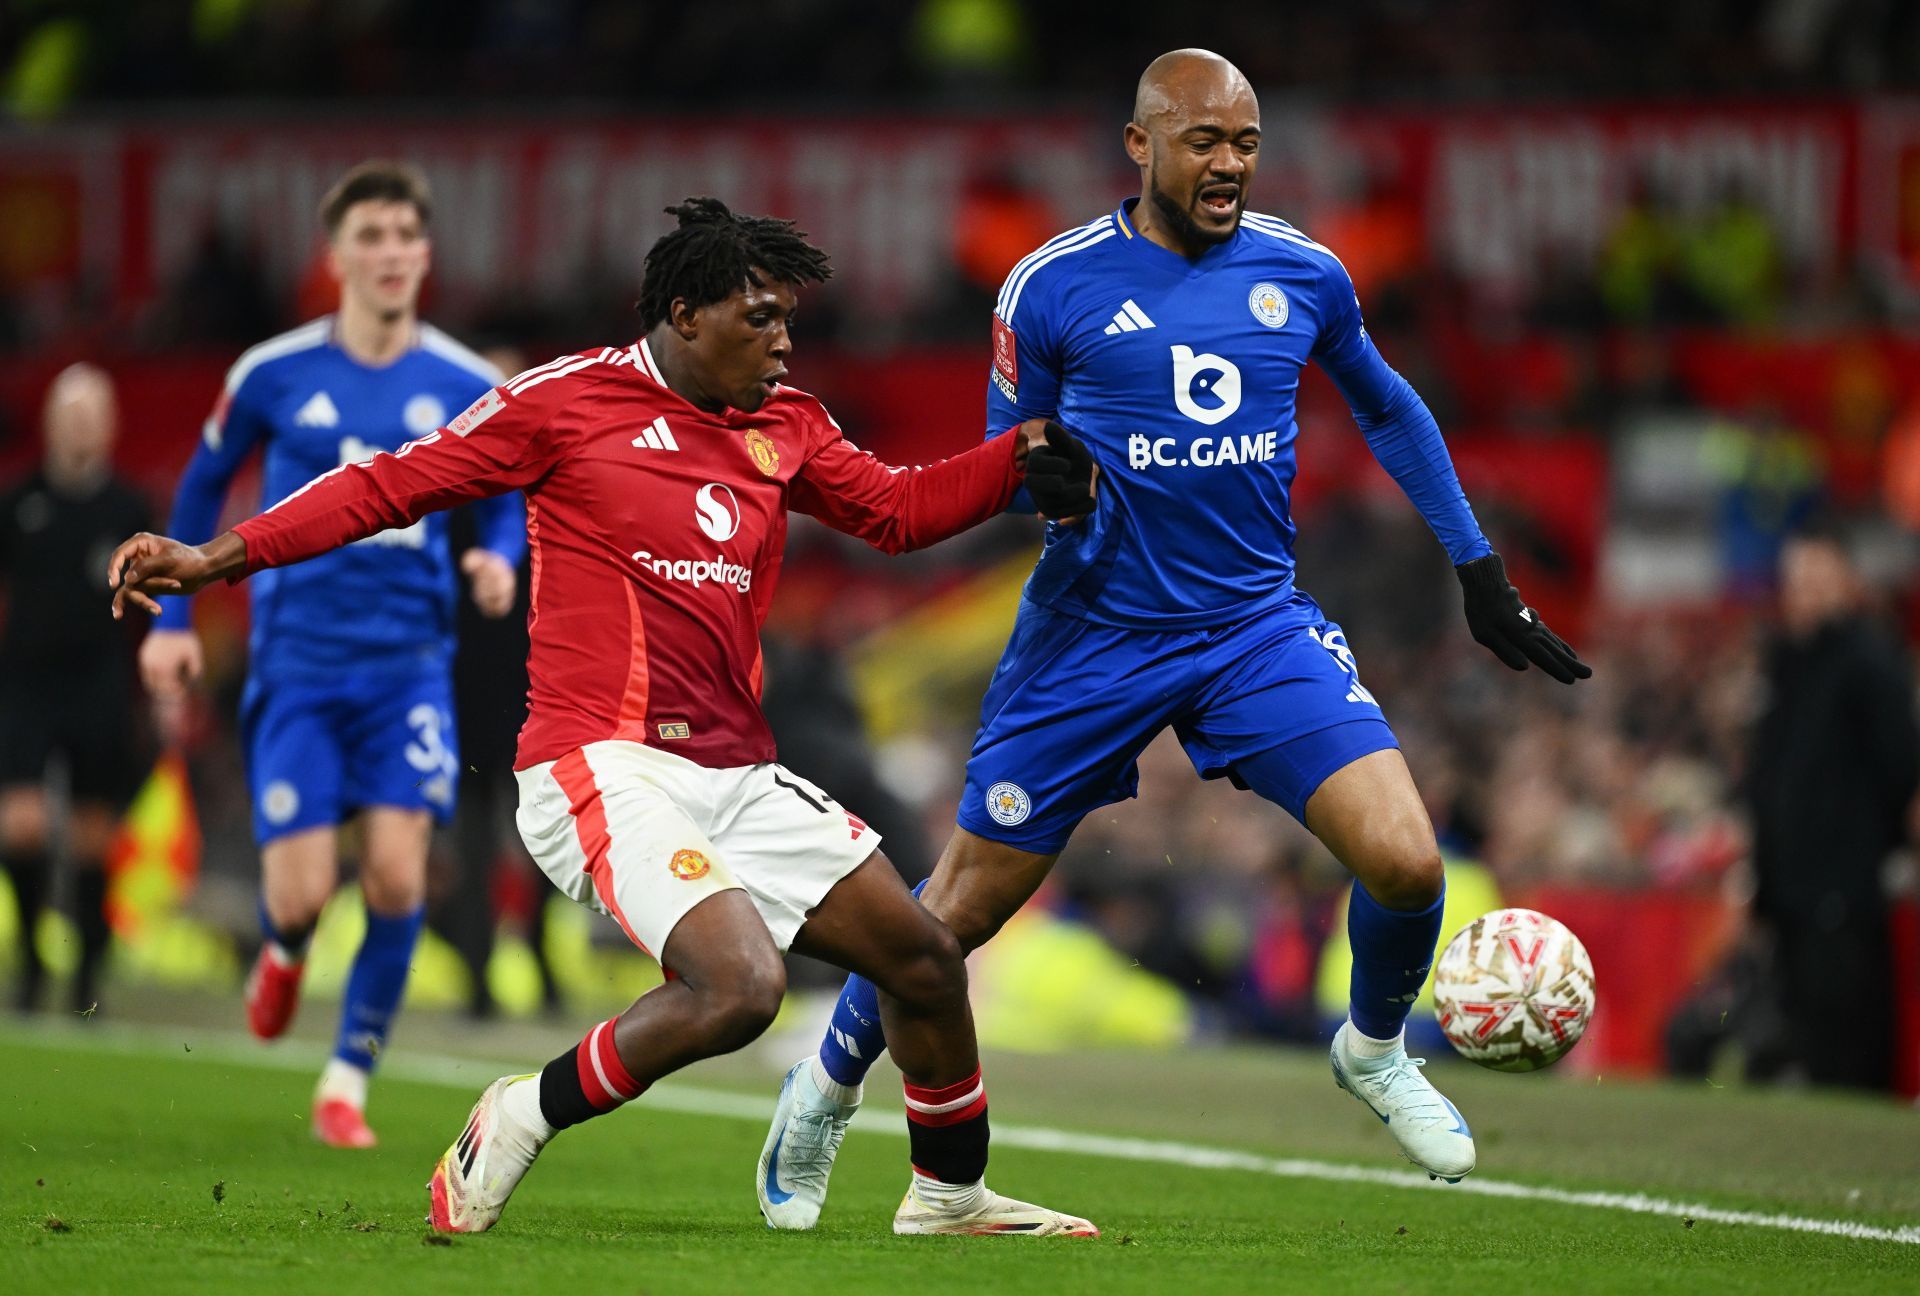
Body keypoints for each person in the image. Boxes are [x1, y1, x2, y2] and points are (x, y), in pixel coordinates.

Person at [111, 197, 1099, 1239]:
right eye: (759, 318)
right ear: (685, 312)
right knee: (741, 988)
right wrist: (213, 559)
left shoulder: (787, 425)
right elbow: (389, 487)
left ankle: (947, 1195)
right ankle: (521, 1112)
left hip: (735, 774)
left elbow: (896, 513)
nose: (784, 344)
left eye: (789, 322)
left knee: (925, 960)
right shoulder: (564, 403)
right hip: (600, 764)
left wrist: (1017, 459)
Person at [765, 47, 1590, 1228]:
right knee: (952, 913)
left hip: (1254, 624)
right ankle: (830, 1083)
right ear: (1141, 144)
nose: (1230, 166)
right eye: (1206, 141)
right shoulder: (1048, 287)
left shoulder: (1302, 272)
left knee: (1408, 861)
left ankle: (1371, 1049)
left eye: (1247, 144)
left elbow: (1387, 403)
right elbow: (1012, 455)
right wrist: (1047, 484)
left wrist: (1478, 566)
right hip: (1093, 632)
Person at [136, 161, 526, 1149]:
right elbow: (200, 488)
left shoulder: (465, 383)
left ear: (426, 253)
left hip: (410, 667)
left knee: (398, 878)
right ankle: (283, 946)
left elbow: (505, 496)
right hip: (299, 665)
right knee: (302, 892)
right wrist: (174, 627)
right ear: (338, 253)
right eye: (372, 236)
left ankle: (347, 1077)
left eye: (406, 235)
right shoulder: (271, 373)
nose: (391, 253)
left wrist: (496, 559)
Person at [1, 364, 153, 1013]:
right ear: (50, 421)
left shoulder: (129, 508)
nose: (81, 424)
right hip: (28, 680)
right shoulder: (18, 501)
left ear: (111, 424)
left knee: (92, 833)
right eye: (71, 411)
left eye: (93, 412)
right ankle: (33, 958)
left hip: (98, 679)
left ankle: (89, 972)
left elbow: (159, 605)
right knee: (22, 826)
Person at [1746, 522, 1918, 1090]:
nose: (1805, 594)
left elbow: (1903, 763)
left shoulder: (1869, 660)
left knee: (1847, 1024)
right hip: (1791, 883)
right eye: (1796, 581)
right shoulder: (1787, 661)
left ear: (1847, 582)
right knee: (1806, 1023)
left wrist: (1888, 845)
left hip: (1843, 879)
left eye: (1818, 580)